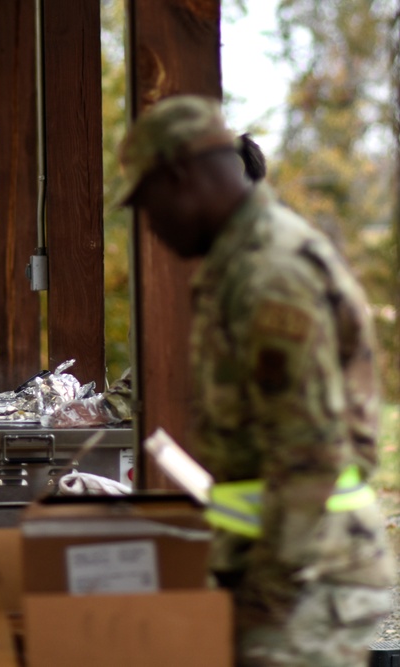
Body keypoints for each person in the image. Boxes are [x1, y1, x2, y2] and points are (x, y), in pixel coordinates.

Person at [117, 95, 394, 666]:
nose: (151, 224)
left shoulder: (269, 274)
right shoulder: (241, 263)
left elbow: (311, 456)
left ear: (180, 176)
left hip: (306, 578)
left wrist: (264, 603)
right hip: (285, 564)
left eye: (149, 203)